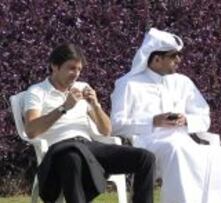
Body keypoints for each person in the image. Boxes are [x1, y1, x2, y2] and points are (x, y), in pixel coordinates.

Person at [111, 28, 221, 203]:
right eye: (173, 56)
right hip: (147, 144)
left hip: (184, 141)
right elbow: (116, 124)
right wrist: (153, 121)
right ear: (157, 59)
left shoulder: (183, 82)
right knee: (177, 151)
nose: (179, 60)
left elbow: (204, 117)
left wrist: (186, 120)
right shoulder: (128, 84)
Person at [24, 43, 155, 203]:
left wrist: (95, 105)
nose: (76, 74)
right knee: (72, 158)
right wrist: (63, 108)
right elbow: (31, 130)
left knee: (145, 158)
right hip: (60, 151)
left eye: (79, 69)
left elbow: (106, 131)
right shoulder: (37, 92)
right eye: (71, 68)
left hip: (89, 148)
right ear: (54, 66)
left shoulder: (82, 87)